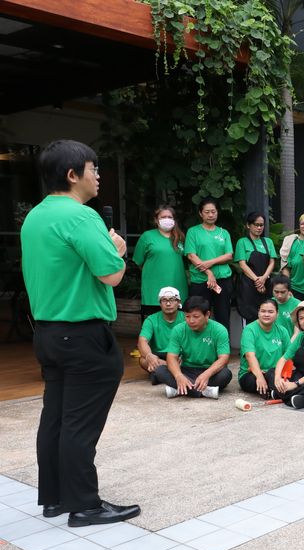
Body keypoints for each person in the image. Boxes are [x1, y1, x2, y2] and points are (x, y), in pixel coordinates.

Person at [22, 139, 140, 526]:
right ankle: (85, 505)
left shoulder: (36, 216)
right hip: (83, 334)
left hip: (48, 332)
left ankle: (55, 498)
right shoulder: (81, 217)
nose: (98, 175)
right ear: (73, 175)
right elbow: (111, 274)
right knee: (79, 424)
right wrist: (117, 250)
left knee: (56, 417)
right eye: (94, 168)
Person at [155, 296, 233, 399]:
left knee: (225, 374)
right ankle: (205, 391)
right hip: (186, 370)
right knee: (160, 370)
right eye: (187, 316)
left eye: (196, 316)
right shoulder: (178, 330)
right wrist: (179, 376)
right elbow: (171, 357)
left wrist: (206, 374)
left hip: (210, 370)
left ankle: (181, 389)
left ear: (207, 315)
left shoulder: (219, 330)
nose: (191, 320)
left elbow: (224, 358)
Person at [184, 200, 234, 331]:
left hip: (223, 280)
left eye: (213, 211)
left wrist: (210, 262)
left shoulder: (224, 233)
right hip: (200, 280)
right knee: (198, 315)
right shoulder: (193, 232)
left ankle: (223, 343)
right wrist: (209, 273)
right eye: (207, 212)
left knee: (223, 316)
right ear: (201, 213)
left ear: (217, 213)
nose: (210, 215)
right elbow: (191, 256)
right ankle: (200, 343)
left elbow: (229, 255)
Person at [133, 205, 188, 320]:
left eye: (170, 217)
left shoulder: (180, 237)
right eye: (163, 217)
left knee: (178, 324)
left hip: (178, 287)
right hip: (153, 290)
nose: (167, 219)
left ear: (174, 220)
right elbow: (138, 262)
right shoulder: (147, 236)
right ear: (156, 220)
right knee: (152, 324)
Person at [238, 299, 291, 396]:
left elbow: (288, 355)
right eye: (263, 311)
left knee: (282, 377)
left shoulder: (282, 331)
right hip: (252, 373)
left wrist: (283, 375)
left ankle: (275, 392)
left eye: (270, 312)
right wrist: (259, 376)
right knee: (255, 381)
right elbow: (250, 355)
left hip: (275, 372)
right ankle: (279, 392)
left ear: (277, 314)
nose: (266, 314)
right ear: (258, 312)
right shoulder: (249, 330)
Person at [137, 287, 186, 383]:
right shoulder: (151, 319)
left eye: (172, 300)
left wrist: (185, 355)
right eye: (164, 300)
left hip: (180, 355)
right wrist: (149, 355)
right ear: (160, 303)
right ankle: (174, 371)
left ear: (178, 302)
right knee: (143, 360)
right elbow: (142, 341)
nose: (168, 304)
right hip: (159, 357)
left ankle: (161, 373)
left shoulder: (186, 317)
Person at [234, 212, 276, 323]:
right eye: (256, 225)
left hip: (266, 283)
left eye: (261, 225)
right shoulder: (242, 242)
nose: (259, 228)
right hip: (248, 284)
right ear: (248, 225)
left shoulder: (268, 242)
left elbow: (272, 262)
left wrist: (264, 278)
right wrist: (257, 280)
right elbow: (242, 264)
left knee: (266, 315)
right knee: (250, 317)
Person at [284, 213, 304, 301]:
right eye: (302, 224)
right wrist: (287, 287)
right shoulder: (292, 243)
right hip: (295, 288)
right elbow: (286, 267)